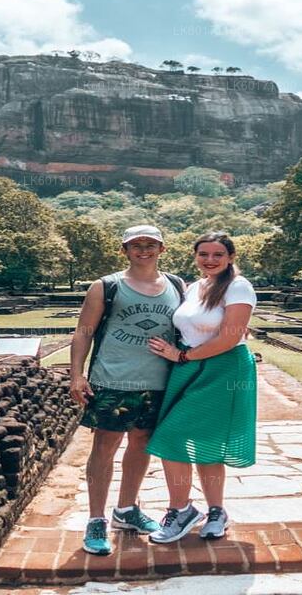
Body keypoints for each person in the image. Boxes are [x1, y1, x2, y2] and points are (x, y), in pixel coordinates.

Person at [69, 225, 185, 556]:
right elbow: (84, 332)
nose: (144, 250)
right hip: (113, 379)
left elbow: (194, 323)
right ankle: (95, 519)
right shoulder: (106, 286)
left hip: (159, 380)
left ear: (162, 248)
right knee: (105, 445)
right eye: (136, 245)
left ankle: (126, 510)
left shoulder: (177, 286)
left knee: (143, 443)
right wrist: (76, 375)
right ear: (125, 250)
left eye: (150, 244)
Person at [144, 231, 257, 543]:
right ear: (195, 256)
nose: (210, 260)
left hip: (223, 367)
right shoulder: (194, 287)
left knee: (175, 436)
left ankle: (183, 510)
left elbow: (231, 335)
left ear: (231, 257)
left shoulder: (238, 286)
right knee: (199, 442)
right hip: (190, 367)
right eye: (203, 254)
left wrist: (181, 355)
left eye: (217, 255)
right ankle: (213, 510)